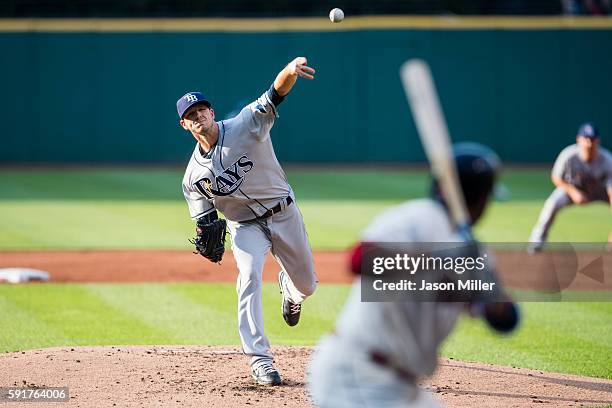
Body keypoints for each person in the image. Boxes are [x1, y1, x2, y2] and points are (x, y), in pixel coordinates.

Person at [308, 143, 519, 408]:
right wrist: (438, 266)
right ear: (478, 198)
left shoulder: (475, 253)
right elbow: (359, 260)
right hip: (359, 374)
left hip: (402, 386)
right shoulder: (417, 219)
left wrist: (490, 295)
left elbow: (507, 320)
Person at [177, 57, 318, 386]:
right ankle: (259, 359)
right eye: (190, 116)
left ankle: (291, 294)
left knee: (307, 285)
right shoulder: (193, 177)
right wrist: (205, 229)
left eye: (201, 110)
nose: (197, 117)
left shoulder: (245, 124)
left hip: (283, 213)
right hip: (245, 227)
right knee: (249, 275)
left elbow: (275, 92)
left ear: (211, 112)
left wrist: (290, 70)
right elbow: (204, 220)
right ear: (185, 126)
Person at [528, 122, 612, 253]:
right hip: (572, 188)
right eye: (586, 139)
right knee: (552, 204)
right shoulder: (569, 155)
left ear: (598, 141)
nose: (589, 143)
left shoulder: (607, 160)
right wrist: (574, 193)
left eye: (593, 139)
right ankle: (537, 240)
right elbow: (556, 177)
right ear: (579, 139)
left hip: (600, 191)